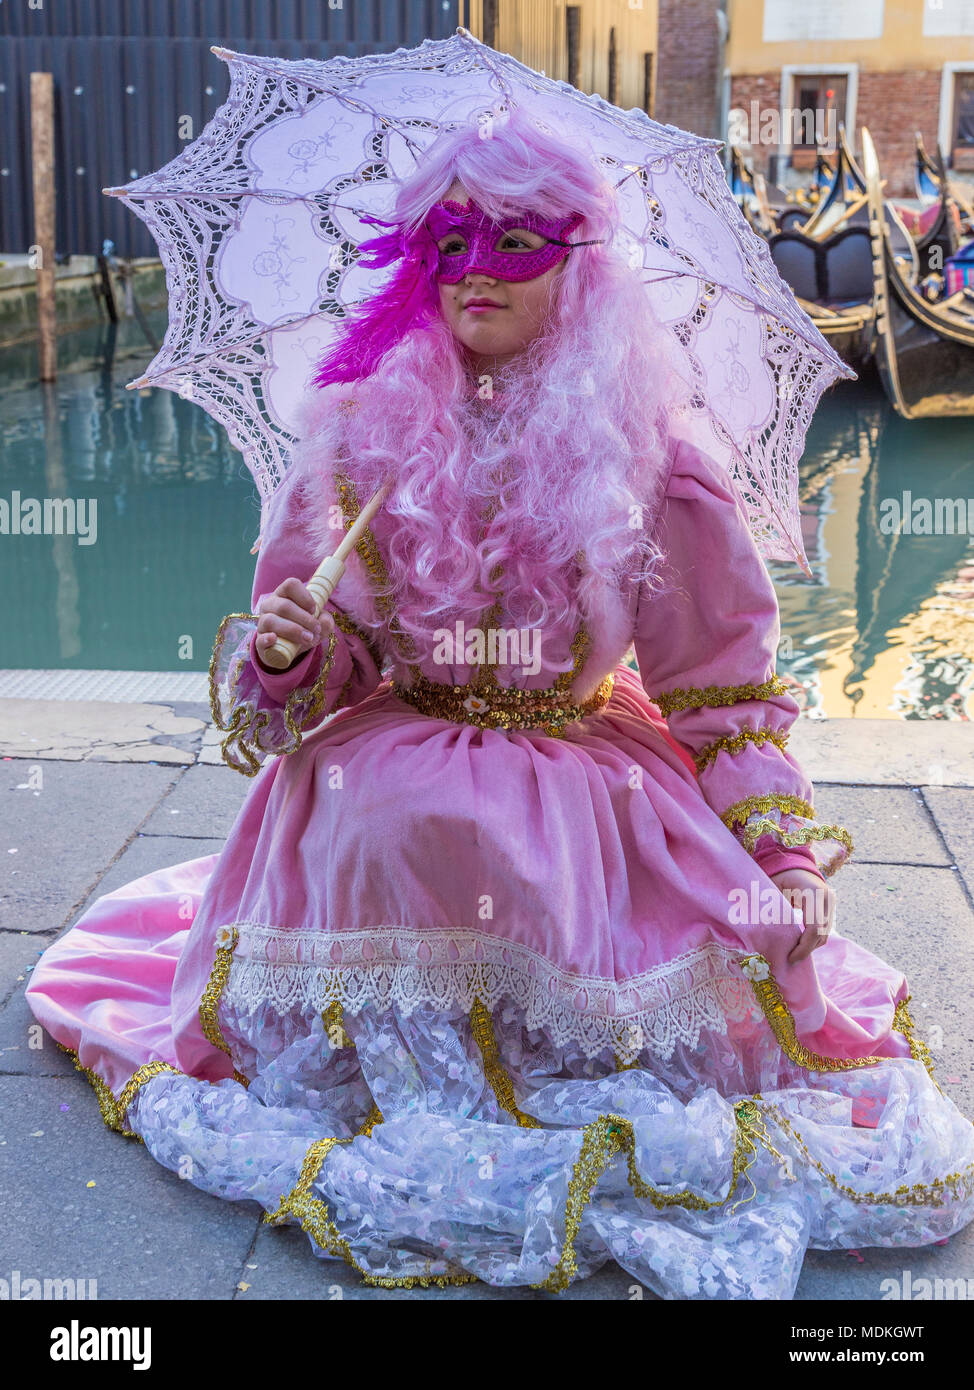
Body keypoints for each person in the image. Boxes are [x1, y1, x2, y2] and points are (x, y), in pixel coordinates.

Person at [26, 109, 974, 1299]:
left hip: (582, 767)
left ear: (576, 270)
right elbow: (302, 700)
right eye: (450, 241)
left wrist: (775, 849)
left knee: (555, 862)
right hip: (384, 756)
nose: (476, 269)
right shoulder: (357, 445)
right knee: (397, 816)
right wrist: (285, 655)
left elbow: (722, 693)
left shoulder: (651, 466)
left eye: (517, 243)